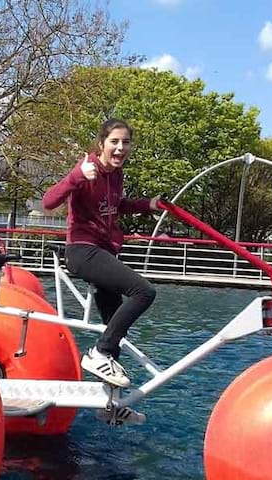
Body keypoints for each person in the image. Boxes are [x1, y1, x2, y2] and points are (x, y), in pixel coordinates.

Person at [42, 119, 160, 389]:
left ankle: (109, 397)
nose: (120, 148)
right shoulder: (87, 170)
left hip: (104, 251)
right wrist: (77, 176)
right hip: (83, 250)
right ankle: (100, 353)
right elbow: (49, 202)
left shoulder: (116, 175)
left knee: (114, 321)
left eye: (126, 142)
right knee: (144, 292)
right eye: (114, 142)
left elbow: (117, 206)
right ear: (102, 144)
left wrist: (148, 205)